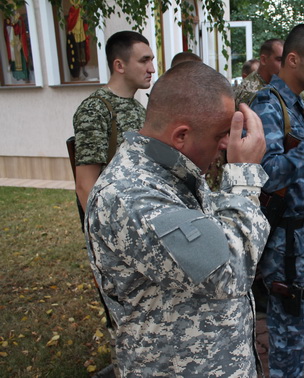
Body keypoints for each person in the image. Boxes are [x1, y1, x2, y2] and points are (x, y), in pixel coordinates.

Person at [84, 61, 270, 376]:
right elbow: (229, 271)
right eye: (221, 134)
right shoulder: (129, 194)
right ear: (181, 135)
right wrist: (244, 178)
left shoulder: (170, 169)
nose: (227, 144)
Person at [249, 24, 304, 378]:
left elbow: (301, 178)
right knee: (286, 332)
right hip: (281, 242)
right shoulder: (268, 104)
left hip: (297, 234)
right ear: (294, 60)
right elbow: (269, 175)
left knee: (295, 325)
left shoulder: (295, 105)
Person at [73, 31, 155, 211]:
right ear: (119, 65)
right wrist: (102, 234)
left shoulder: (137, 108)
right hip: (115, 219)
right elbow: (85, 185)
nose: (152, 69)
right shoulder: (95, 109)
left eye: (151, 60)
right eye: (144, 61)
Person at [234, 38, 284, 106]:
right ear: (264, 60)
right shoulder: (251, 91)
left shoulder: (275, 83)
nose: (284, 65)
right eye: (279, 60)